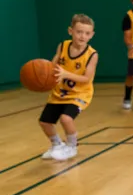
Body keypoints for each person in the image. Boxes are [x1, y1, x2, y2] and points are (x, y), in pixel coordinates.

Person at [39, 14, 98, 161]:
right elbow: (53, 66)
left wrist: (66, 74)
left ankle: (72, 147)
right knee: (45, 122)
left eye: (87, 33)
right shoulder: (63, 46)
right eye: (79, 32)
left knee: (66, 119)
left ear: (92, 35)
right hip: (60, 93)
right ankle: (56, 145)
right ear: (70, 31)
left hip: (80, 94)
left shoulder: (92, 55)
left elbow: (86, 79)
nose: (82, 36)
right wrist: (46, 75)